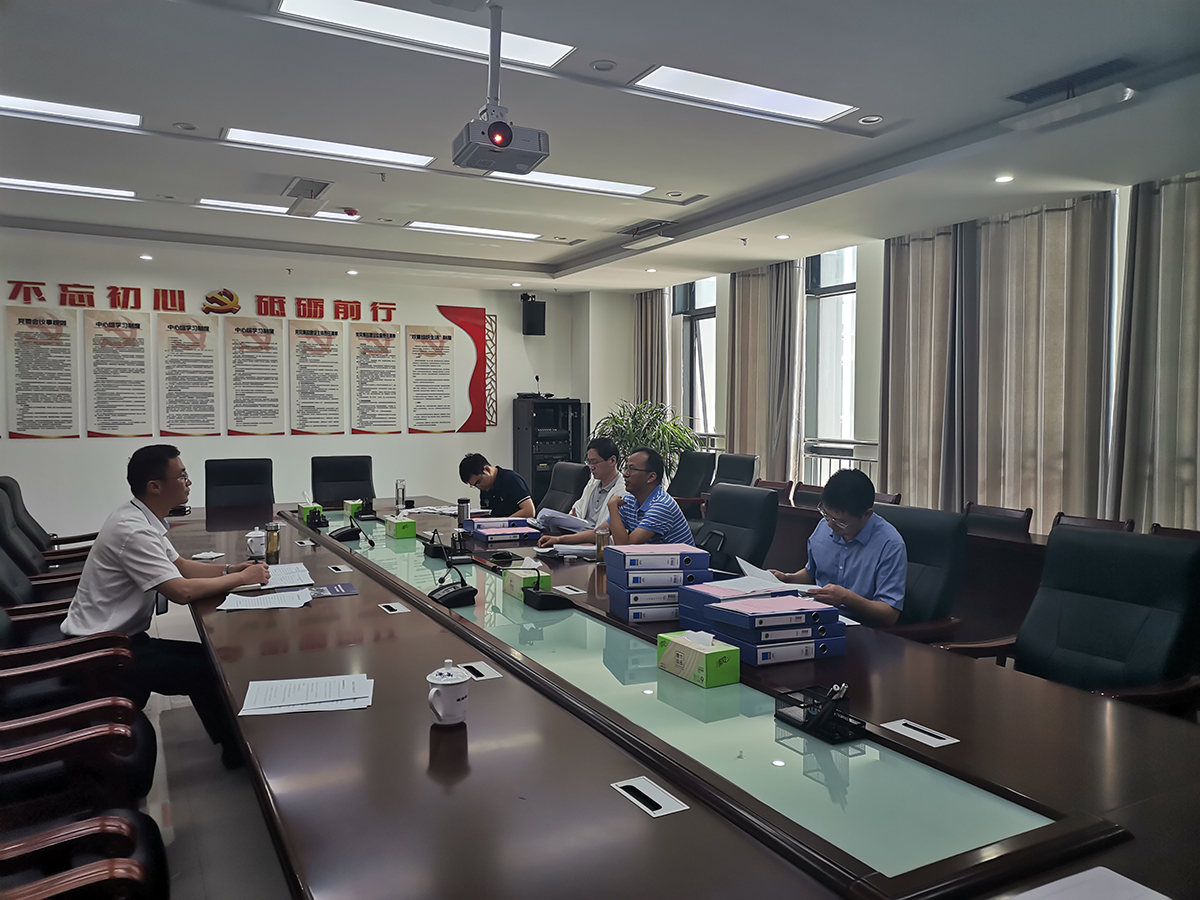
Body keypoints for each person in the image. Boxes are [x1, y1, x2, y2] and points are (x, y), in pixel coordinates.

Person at [61, 445, 269, 768]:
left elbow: (181, 566)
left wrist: (231, 569)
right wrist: (241, 580)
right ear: (155, 486)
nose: (189, 482)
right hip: (99, 653)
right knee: (206, 669)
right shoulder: (133, 530)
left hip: (119, 640)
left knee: (209, 659)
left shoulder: (142, 517)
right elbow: (180, 591)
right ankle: (236, 753)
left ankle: (234, 743)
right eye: (181, 476)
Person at [770, 468, 906, 626]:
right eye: (826, 515)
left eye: (840, 522)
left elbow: (889, 614)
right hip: (818, 616)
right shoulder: (824, 527)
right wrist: (788, 578)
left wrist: (847, 599)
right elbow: (812, 573)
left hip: (859, 627)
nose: (829, 524)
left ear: (867, 515)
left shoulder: (890, 545)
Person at [538, 447, 691, 548]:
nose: (625, 474)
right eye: (626, 468)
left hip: (682, 572)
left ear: (651, 477)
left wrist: (612, 507)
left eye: (632, 469)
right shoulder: (631, 501)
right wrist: (559, 540)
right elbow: (598, 533)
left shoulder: (661, 505)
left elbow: (626, 546)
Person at [535, 437, 625, 532]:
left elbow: (607, 529)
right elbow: (578, 508)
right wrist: (572, 518)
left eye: (595, 462)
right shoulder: (593, 483)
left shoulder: (622, 492)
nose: (591, 467)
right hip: (581, 534)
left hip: (598, 538)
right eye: (589, 462)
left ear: (612, 461)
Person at [458, 453, 536, 518]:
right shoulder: (485, 488)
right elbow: (486, 516)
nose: (479, 487)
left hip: (517, 528)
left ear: (487, 470)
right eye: (474, 486)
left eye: (478, 482)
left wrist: (503, 523)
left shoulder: (511, 479)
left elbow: (529, 511)